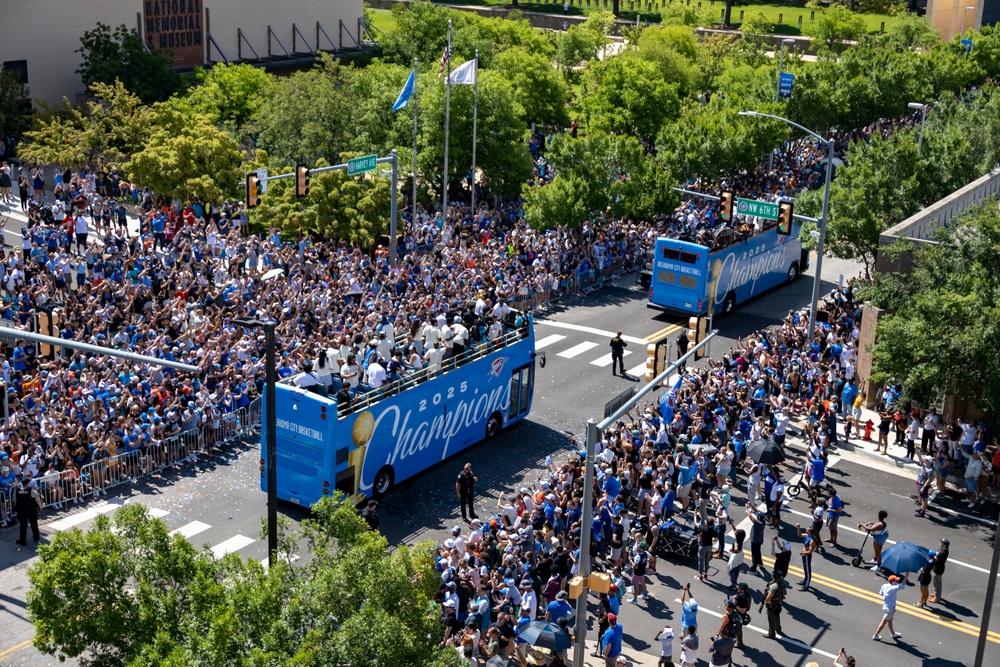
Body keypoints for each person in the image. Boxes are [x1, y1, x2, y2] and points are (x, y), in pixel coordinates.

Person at [873, 574, 908, 641]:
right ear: (892, 582)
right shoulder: (892, 588)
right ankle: (875, 635)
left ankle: (893, 634)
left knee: (890, 620)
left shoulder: (884, 585)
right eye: (896, 581)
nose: (897, 582)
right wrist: (905, 577)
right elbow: (902, 585)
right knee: (883, 622)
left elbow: (881, 594)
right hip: (890, 609)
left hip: (886, 607)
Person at [14, 476, 42, 545]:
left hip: (21, 511)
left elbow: (14, 500)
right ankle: (36, 537)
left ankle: (23, 540)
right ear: (28, 483)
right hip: (31, 510)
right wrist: (40, 507)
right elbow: (38, 500)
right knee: (34, 524)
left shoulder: (17, 491)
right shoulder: (32, 491)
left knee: (23, 526)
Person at [761, 569, 786, 639]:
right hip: (778, 603)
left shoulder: (774, 586)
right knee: (777, 616)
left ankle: (771, 633)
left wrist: (766, 602)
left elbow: (769, 596)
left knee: (771, 619)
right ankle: (778, 628)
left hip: (772, 604)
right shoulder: (782, 583)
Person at [795, 523, 817, 591]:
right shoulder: (808, 535)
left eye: (807, 530)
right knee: (805, 569)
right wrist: (798, 528)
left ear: (809, 532)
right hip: (804, 555)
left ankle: (806, 586)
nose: (805, 530)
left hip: (807, 556)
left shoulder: (812, 541)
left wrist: (802, 552)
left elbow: (810, 551)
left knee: (808, 571)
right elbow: (799, 535)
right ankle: (805, 580)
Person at [930, 538, 949, 604]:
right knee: (935, 582)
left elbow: (936, 559)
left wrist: (934, 557)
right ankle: (936, 593)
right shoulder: (943, 550)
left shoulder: (943, 553)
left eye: (941, 543)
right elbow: (938, 553)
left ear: (944, 545)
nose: (940, 543)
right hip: (938, 568)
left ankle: (937, 598)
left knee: (937, 583)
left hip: (938, 569)